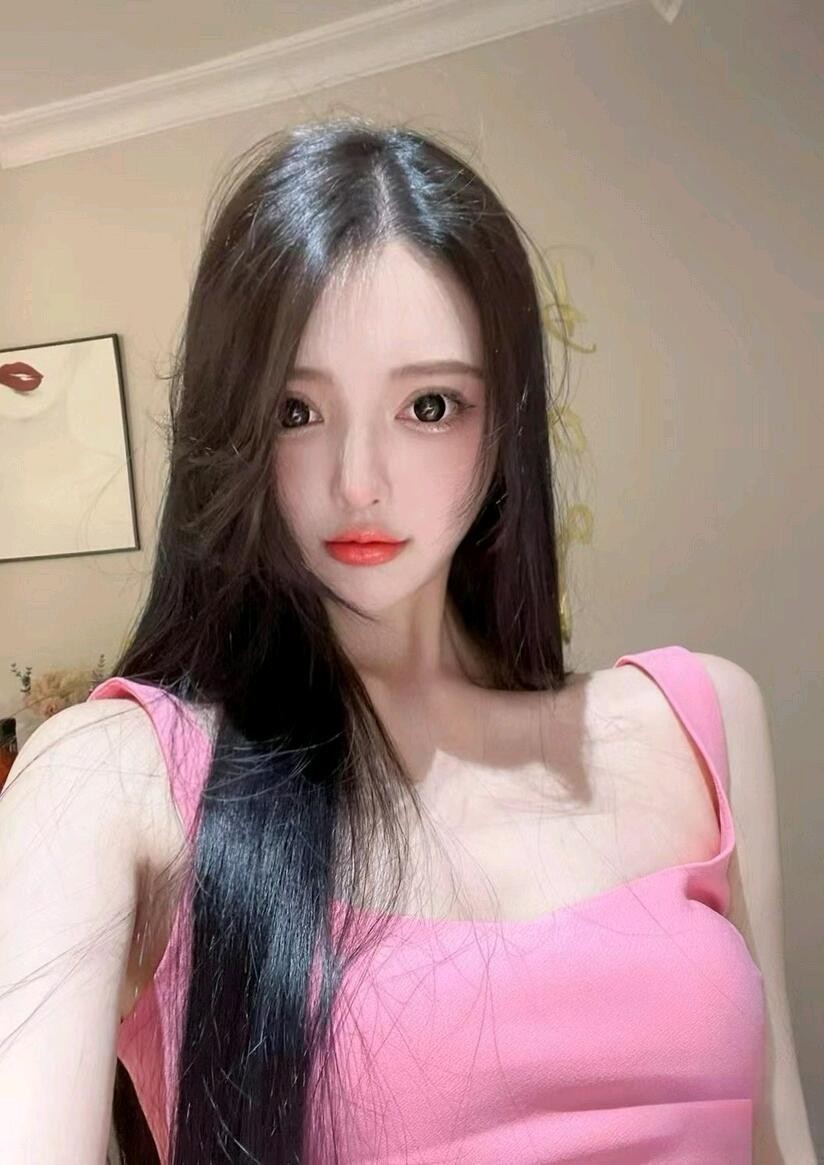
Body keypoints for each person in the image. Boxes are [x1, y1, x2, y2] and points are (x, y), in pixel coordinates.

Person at [0, 116, 776, 1164]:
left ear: (504, 425)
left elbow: (781, 1138)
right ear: (229, 429)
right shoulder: (112, 780)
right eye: (295, 411)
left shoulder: (698, 718)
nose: (358, 480)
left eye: (428, 405)